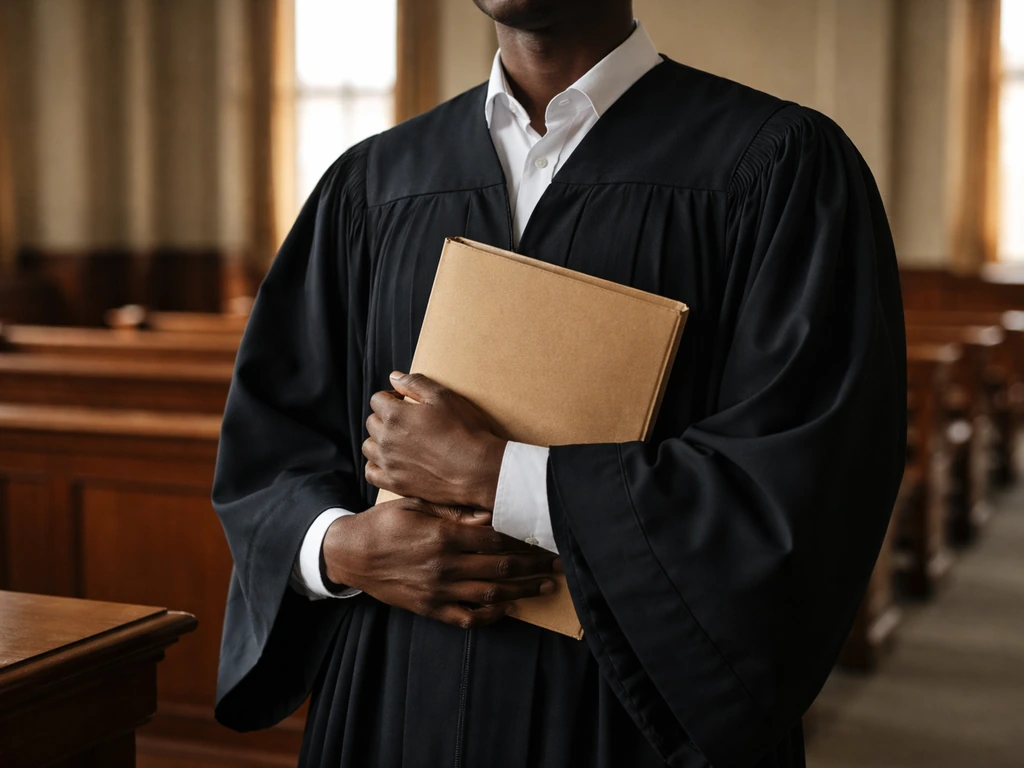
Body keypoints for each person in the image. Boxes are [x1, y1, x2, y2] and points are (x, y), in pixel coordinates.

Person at [212, 1, 906, 766]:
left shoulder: (778, 167)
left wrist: (497, 475)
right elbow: (271, 452)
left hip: (624, 718)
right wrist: (338, 549)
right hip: (395, 698)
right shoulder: (371, 184)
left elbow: (802, 485)